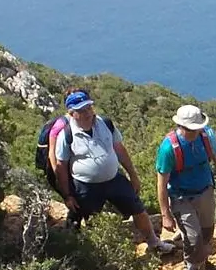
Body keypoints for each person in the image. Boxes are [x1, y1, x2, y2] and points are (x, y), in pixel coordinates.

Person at [53, 89, 174, 255]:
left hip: (114, 179)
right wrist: (67, 195)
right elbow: (61, 166)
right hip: (86, 186)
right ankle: (81, 253)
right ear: (71, 113)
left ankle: (154, 242)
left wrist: (133, 175)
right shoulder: (66, 135)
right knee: (83, 218)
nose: (88, 113)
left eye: (89, 108)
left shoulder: (106, 124)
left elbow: (120, 150)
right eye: (82, 110)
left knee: (137, 208)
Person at [155, 104, 216, 270]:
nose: (195, 132)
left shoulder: (207, 136)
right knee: (193, 237)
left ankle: (202, 262)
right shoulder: (168, 148)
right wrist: (165, 214)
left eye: (197, 128)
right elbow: (161, 182)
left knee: (207, 232)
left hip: (205, 190)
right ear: (181, 126)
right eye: (191, 129)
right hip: (181, 196)